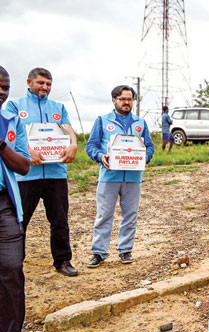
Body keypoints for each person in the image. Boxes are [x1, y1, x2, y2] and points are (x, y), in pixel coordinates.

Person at [6, 68, 79, 277]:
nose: (45, 87)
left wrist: (73, 144)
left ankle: (63, 261)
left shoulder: (58, 107)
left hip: (56, 173)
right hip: (26, 175)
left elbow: (67, 128)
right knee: (19, 221)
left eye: (48, 84)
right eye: (41, 83)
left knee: (60, 220)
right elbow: (10, 134)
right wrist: (27, 151)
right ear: (29, 82)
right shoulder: (14, 106)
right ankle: (14, 263)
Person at [85, 85, 155, 267]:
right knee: (104, 215)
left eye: (129, 99)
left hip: (133, 177)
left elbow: (149, 146)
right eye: (123, 99)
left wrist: (144, 158)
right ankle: (99, 252)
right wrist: (101, 157)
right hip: (109, 176)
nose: (126, 102)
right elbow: (91, 146)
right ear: (114, 100)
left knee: (130, 215)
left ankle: (125, 250)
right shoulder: (102, 121)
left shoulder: (140, 123)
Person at [0, 65, 32, 332]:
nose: (1, 92)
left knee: (11, 267)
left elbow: (23, 165)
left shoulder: (11, 121)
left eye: (5, 88)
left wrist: (0, 144)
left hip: (4, 203)